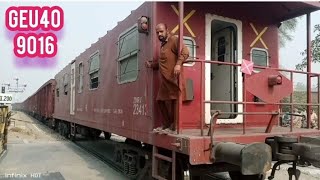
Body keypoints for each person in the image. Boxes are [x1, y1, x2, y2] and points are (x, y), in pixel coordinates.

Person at [146, 23, 189, 133]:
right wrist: (151, 65)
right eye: (157, 32)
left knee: (175, 100)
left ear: (167, 30)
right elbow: (163, 62)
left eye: (161, 31)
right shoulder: (163, 45)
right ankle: (167, 124)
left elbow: (185, 52)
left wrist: (178, 64)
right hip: (165, 80)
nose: (159, 34)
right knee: (160, 100)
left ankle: (174, 127)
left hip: (174, 78)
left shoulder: (174, 40)